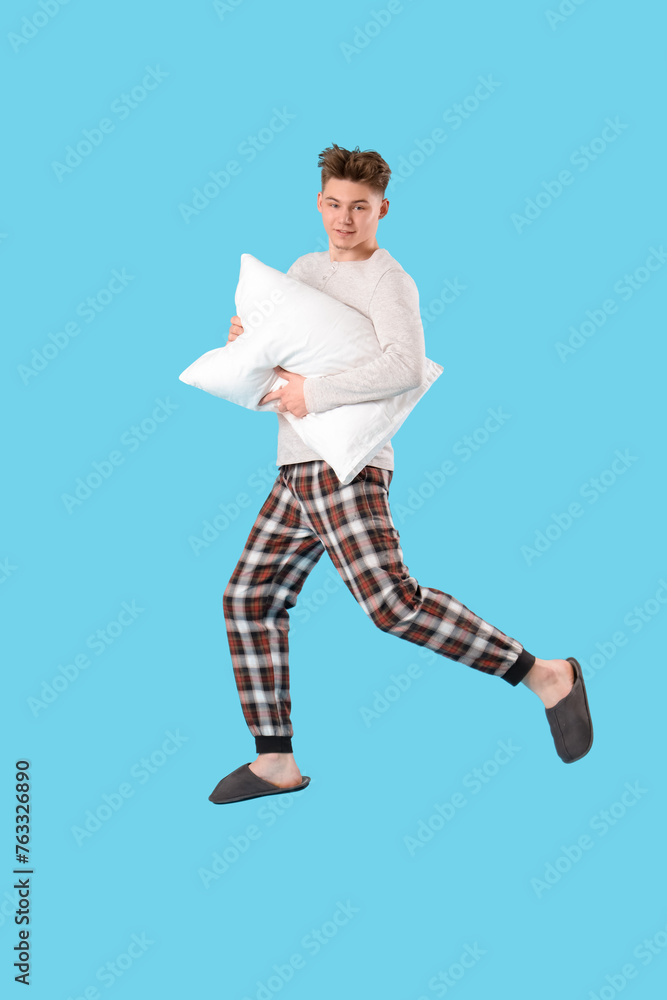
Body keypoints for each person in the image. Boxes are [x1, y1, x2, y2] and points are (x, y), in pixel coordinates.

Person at [209, 144, 593, 805]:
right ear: (319, 203)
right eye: (333, 204)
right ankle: (274, 759)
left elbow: (403, 367)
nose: (344, 219)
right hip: (295, 469)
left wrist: (315, 395)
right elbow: (281, 348)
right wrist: (245, 337)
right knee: (249, 599)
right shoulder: (303, 269)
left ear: (381, 209)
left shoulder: (389, 281)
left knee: (392, 605)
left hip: (344, 467)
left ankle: (545, 675)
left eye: (359, 208)